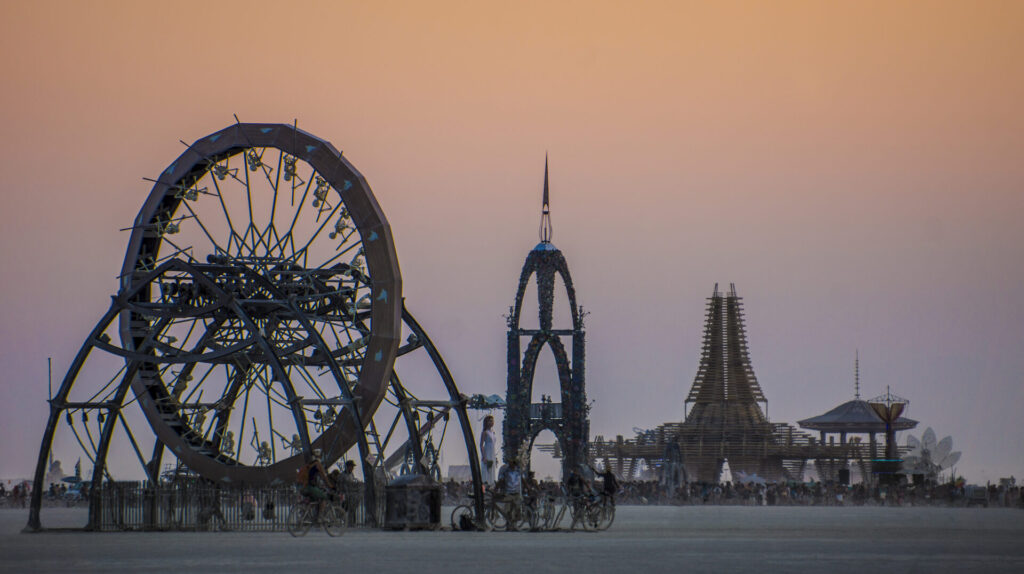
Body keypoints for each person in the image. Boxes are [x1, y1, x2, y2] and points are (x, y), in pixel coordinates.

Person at [480, 415, 497, 485]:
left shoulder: (493, 432)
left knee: (492, 469)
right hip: (487, 452)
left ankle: (491, 484)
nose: (492, 422)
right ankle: (486, 484)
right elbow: (481, 445)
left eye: (492, 421)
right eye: (490, 421)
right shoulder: (485, 432)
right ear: (486, 422)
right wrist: (484, 456)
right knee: (487, 469)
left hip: (492, 452)